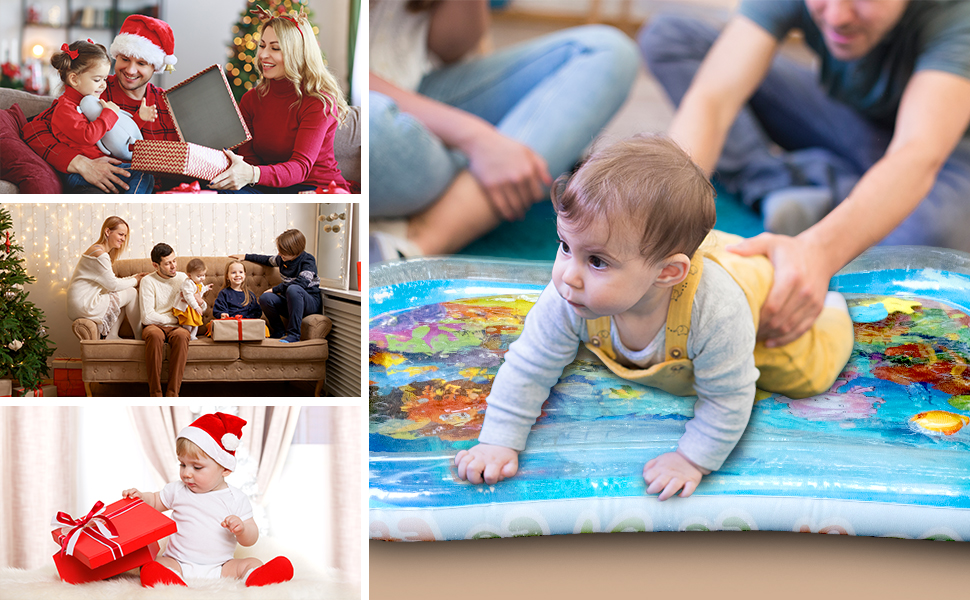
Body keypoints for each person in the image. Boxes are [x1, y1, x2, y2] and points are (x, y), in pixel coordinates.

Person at [454, 135, 854, 500]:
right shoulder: (572, 292)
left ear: (667, 273)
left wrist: (692, 460)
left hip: (762, 304)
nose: (566, 274)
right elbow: (529, 365)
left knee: (808, 375)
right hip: (675, 271)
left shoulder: (715, 312)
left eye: (596, 261)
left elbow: (729, 398)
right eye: (564, 246)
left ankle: (831, 307)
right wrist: (499, 441)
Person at [638, 0, 970, 349]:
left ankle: (825, 188)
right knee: (670, 37)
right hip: (850, 123)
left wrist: (820, 252)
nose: (838, 17)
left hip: (944, 149)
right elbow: (714, 97)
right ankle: (793, 185)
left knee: (927, 234)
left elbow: (916, 154)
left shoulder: (957, 14)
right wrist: (664, 213)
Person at [369, 0, 640, 259]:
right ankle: (467, 181)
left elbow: (451, 46)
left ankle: (418, 241)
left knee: (609, 51)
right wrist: (475, 138)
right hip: (361, 109)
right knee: (377, 128)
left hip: (425, 91)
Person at [123, 412, 294, 588]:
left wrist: (241, 529)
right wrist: (141, 497)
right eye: (182, 464)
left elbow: (251, 537)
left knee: (252, 562)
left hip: (220, 567)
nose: (186, 473)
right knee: (152, 564)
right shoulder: (178, 490)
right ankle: (170, 579)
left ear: (225, 469)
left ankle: (255, 576)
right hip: (178, 562)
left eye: (197, 467)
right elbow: (155, 501)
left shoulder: (236, 499)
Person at [24, 15, 180, 193]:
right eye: (125, 59)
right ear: (116, 57)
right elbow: (33, 130)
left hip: (150, 190)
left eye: (141, 63)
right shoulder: (92, 88)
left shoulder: (167, 104)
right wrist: (78, 162)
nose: (130, 70)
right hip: (97, 185)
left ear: (155, 67)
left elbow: (200, 147)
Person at [209, 6, 350, 193]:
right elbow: (249, 159)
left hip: (314, 188)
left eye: (275, 48)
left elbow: (300, 167)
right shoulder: (251, 99)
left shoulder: (318, 101)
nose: (263, 55)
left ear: (298, 54)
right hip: (267, 185)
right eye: (262, 45)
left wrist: (251, 174)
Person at [48, 39, 156, 194]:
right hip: (79, 174)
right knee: (143, 174)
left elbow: (114, 134)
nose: (104, 85)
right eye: (97, 80)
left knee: (145, 172)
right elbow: (88, 136)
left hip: (102, 166)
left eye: (105, 79)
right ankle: (129, 208)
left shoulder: (92, 101)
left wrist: (139, 119)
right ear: (74, 79)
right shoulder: (65, 109)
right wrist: (108, 115)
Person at [231, 229, 320, 344]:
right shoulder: (282, 260)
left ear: (295, 251)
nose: (279, 254)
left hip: (309, 303)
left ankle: (294, 334)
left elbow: (301, 283)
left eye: (283, 252)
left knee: (293, 289)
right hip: (290, 303)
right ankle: (279, 331)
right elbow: (266, 260)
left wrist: (275, 289)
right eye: (279, 251)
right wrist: (246, 256)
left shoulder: (308, 260)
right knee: (265, 297)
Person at [67, 216, 149, 339]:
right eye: (121, 234)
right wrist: (135, 281)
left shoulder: (97, 250)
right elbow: (113, 285)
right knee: (131, 293)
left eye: (125, 235)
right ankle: (139, 337)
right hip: (84, 303)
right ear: (107, 232)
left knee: (122, 294)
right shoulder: (100, 255)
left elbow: (112, 282)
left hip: (80, 302)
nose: (123, 239)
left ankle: (112, 335)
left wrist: (134, 277)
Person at [140, 243, 191, 397]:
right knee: (154, 335)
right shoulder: (148, 281)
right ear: (156, 265)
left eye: (174, 261)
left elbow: (197, 304)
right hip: (154, 325)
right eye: (168, 263)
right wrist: (173, 320)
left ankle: (172, 395)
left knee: (183, 336)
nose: (173, 266)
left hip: (177, 327)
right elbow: (147, 316)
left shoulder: (183, 278)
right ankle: (155, 394)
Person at [172, 259, 210, 341]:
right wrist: (196, 307)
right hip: (187, 308)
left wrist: (206, 288)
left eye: (203, 275)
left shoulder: (198, 283)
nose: (202, 278)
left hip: (193, 307)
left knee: (196, 322)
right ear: (189, 275)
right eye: (199, 276)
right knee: (188, 322)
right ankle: (187, 334)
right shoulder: (188, 283)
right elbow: (189, 296)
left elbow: (200, 291)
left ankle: (193, 335)